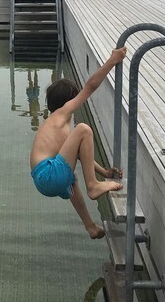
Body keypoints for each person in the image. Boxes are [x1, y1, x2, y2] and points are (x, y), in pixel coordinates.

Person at [30, 47, 127, 238]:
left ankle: (90, 226)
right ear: (69, 100)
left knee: (72, 180)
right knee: (84, 128)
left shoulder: (55, 125)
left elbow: (84, 157)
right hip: (49, 173)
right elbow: (90, 87)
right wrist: (112, 60)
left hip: (42, 180)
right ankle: (93, 185)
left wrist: (105, 172)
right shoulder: (63, 113)